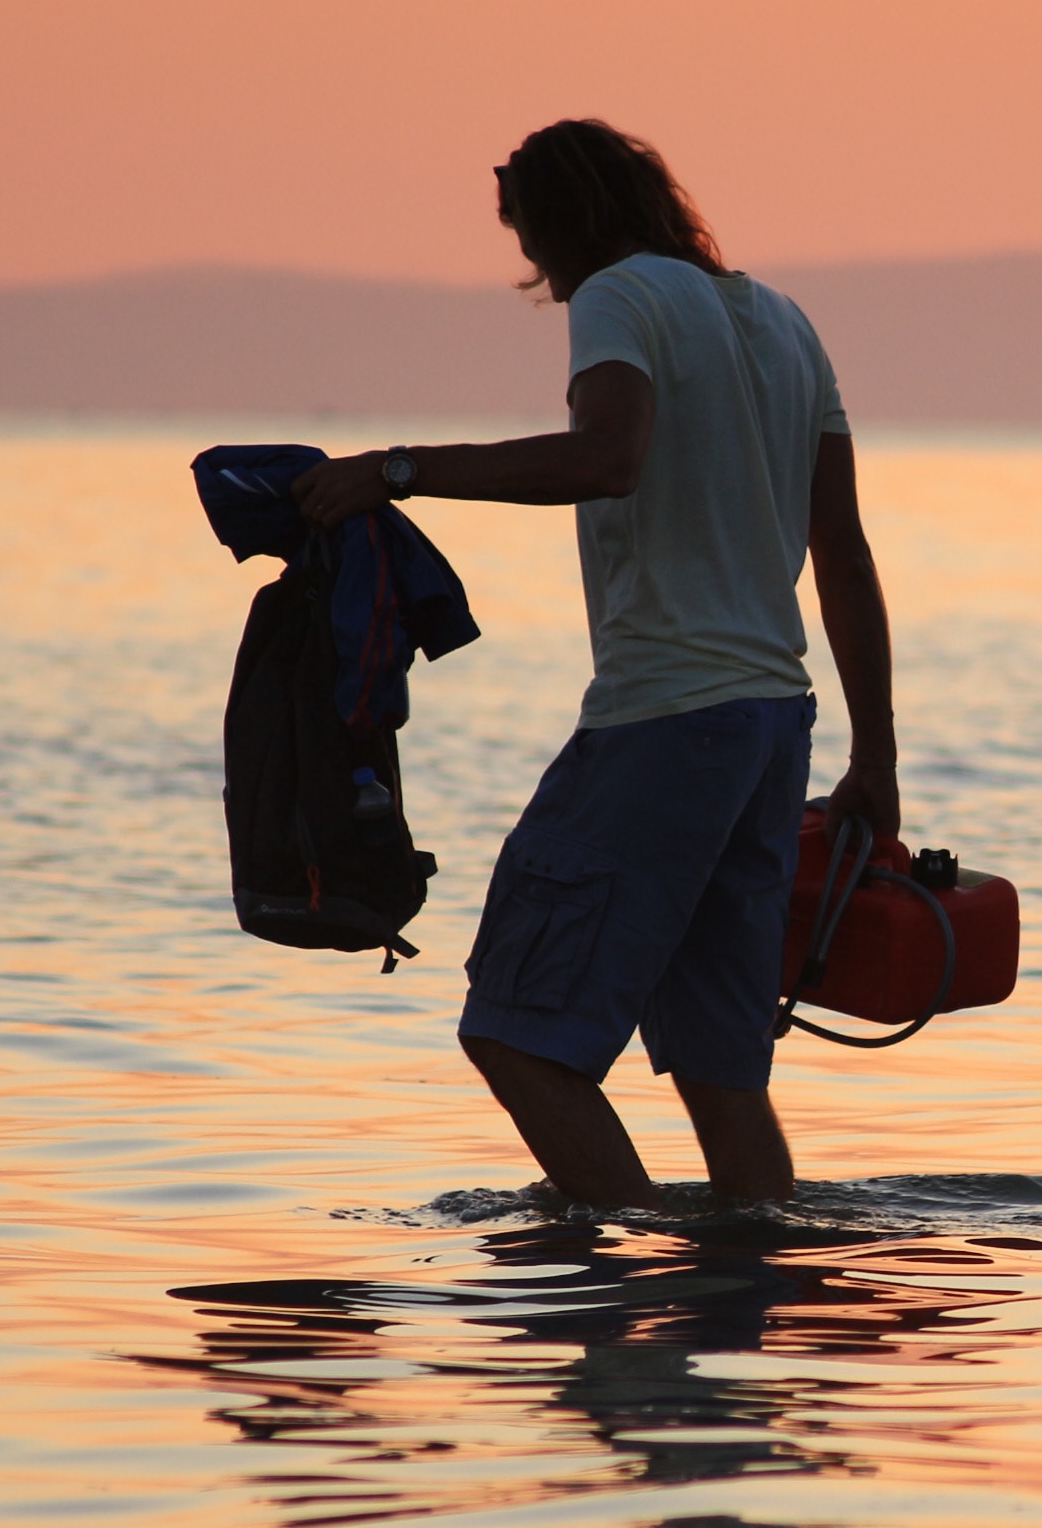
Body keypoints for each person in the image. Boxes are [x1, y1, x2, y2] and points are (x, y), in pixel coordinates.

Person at [292, 119, 896, 1211]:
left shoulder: (619, 296)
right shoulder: (786, 323)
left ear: (559, 223)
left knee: (518, 1035)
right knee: (724, 1079)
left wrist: (398, 471)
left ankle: (617, 1314)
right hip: (771, 729)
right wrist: (876, 761)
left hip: (664, 723)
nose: (533, 267)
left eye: (525, 232)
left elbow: (607, 459)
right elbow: (843, 553)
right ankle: (734, 1317)